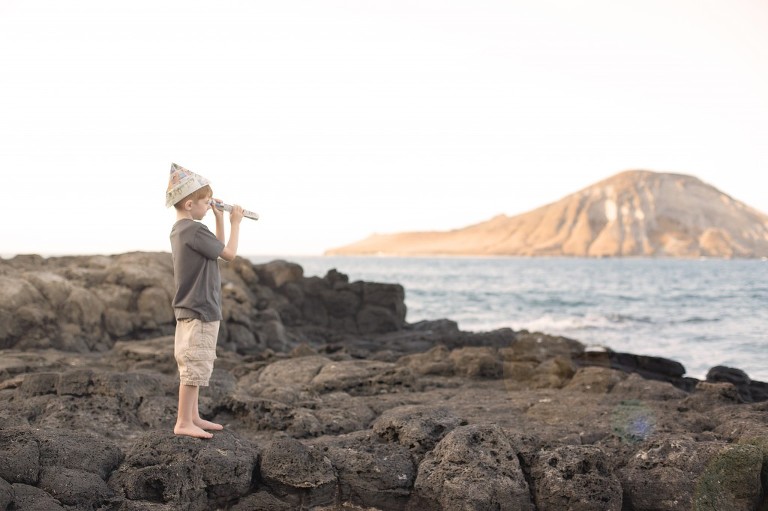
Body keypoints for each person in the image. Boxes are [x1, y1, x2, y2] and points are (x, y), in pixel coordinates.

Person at [166, 162, 244, 439]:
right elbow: (230, 253)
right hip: (200, 309)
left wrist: (219, 218)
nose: (207, 206)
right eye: (205, 202)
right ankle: (183, 422)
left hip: (194, 307)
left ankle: (193, 417)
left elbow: (217, 250)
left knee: (196, 364)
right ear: (189, 203)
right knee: (193, 365)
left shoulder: (182, 229)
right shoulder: (194, 230)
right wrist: (236, 222)